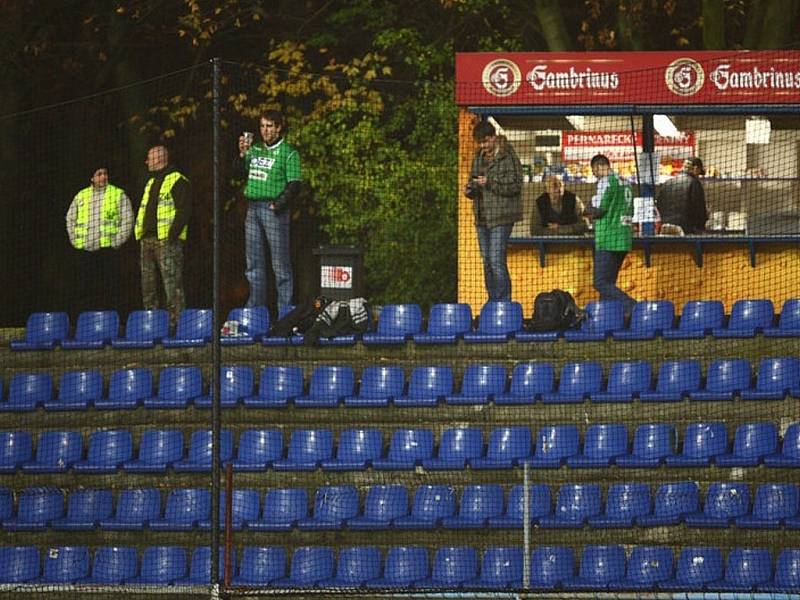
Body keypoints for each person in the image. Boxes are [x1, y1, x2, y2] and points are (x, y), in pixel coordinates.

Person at [236, 109, 302, 313]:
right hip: (253, 209)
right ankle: (256, 310)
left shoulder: (289, 152)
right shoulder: (254, 150)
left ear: (279, 127)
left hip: (273, 210)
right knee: (253, 263)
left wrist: (278, 204)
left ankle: (285, 312)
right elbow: (238, 173)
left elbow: (295, 184)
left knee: (280, 264)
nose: (265, 130)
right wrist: (242, 155)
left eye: (270, 126)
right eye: (262, 126)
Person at [464, 120, 523, 301]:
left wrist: (489, 183)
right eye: (480, 143)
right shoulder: (479, 157)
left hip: (502, 216)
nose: (483, 146)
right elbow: (474, 182)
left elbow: (515, 186)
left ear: (493, 137)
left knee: (496, 259)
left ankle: (504, 302)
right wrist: (470, 189)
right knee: (487, 261)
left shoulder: (508, 156)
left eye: (485, 142)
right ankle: (493, 300)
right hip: (482, 217)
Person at [134, 144, 191, 328]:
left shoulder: (178, 180)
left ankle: (178, 325)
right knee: (148, 286)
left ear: (159, 158)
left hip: (167, 241)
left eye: (149, 158)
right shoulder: (150, 182)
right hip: (147, 240)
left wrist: (171, 235)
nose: (146, 162)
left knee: (172, 285)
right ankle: (151, 325)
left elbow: (184, 210)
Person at [65, 167, 133, 309]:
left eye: (105, 173)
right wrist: (74, 240)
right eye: (99, 174)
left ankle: (113, 321)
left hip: (108, 251)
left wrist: (117, 241)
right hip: (85, 251)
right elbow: (70, 218)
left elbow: (128, 219)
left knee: (112, 288)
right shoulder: (81, 196)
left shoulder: (117, 194)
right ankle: (86, 321)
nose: (103, 177)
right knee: (84, 289)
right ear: (92, 178)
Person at [584, 154, 636, 315]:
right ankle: (607, 319)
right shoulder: (626, 182)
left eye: (594, 171)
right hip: (624, 237)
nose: (595, 175)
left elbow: (599, 209)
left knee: (600, 283)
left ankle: (632, 306)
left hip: (608, 239)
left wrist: (585, 210)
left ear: (599, 166)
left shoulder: (606, 182)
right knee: (608, 284)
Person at [656, 157, 708, 234]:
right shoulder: (694, 183)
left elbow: (659, 204)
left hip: (665, 228)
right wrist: (701, 226)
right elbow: (699, 208)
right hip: (686, 230)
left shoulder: (668, 182)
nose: (698, 176)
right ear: (696, 168)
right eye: (699, 173)